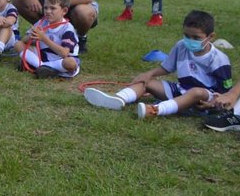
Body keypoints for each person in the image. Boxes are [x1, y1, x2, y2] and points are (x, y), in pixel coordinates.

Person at [84, 10, 232, 118]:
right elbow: (167, 67)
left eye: (196, 37)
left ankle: (156, 110)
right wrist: (148, 74)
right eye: (187, 36)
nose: (190, 40)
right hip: (181, 89)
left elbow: (226, 91)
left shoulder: (219, 59)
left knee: (196, 92)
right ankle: (117, 99)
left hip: (204, 98)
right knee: (147, 82)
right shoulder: (181, 45)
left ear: (211, 37)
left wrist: (213, 102)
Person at [14, 0, 80, 79]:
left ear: (64, 11)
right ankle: (42, 68)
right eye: (45, 8)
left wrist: (44, 38)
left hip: (60, 61)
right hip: (43, 58)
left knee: (70, 63)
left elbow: (64, 53)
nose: (48, 11)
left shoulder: (67, 29)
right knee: (18, 44)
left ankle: (36, 66)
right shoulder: (42, 22)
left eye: (52, 8)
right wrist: (31, 36)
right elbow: (24, 40)